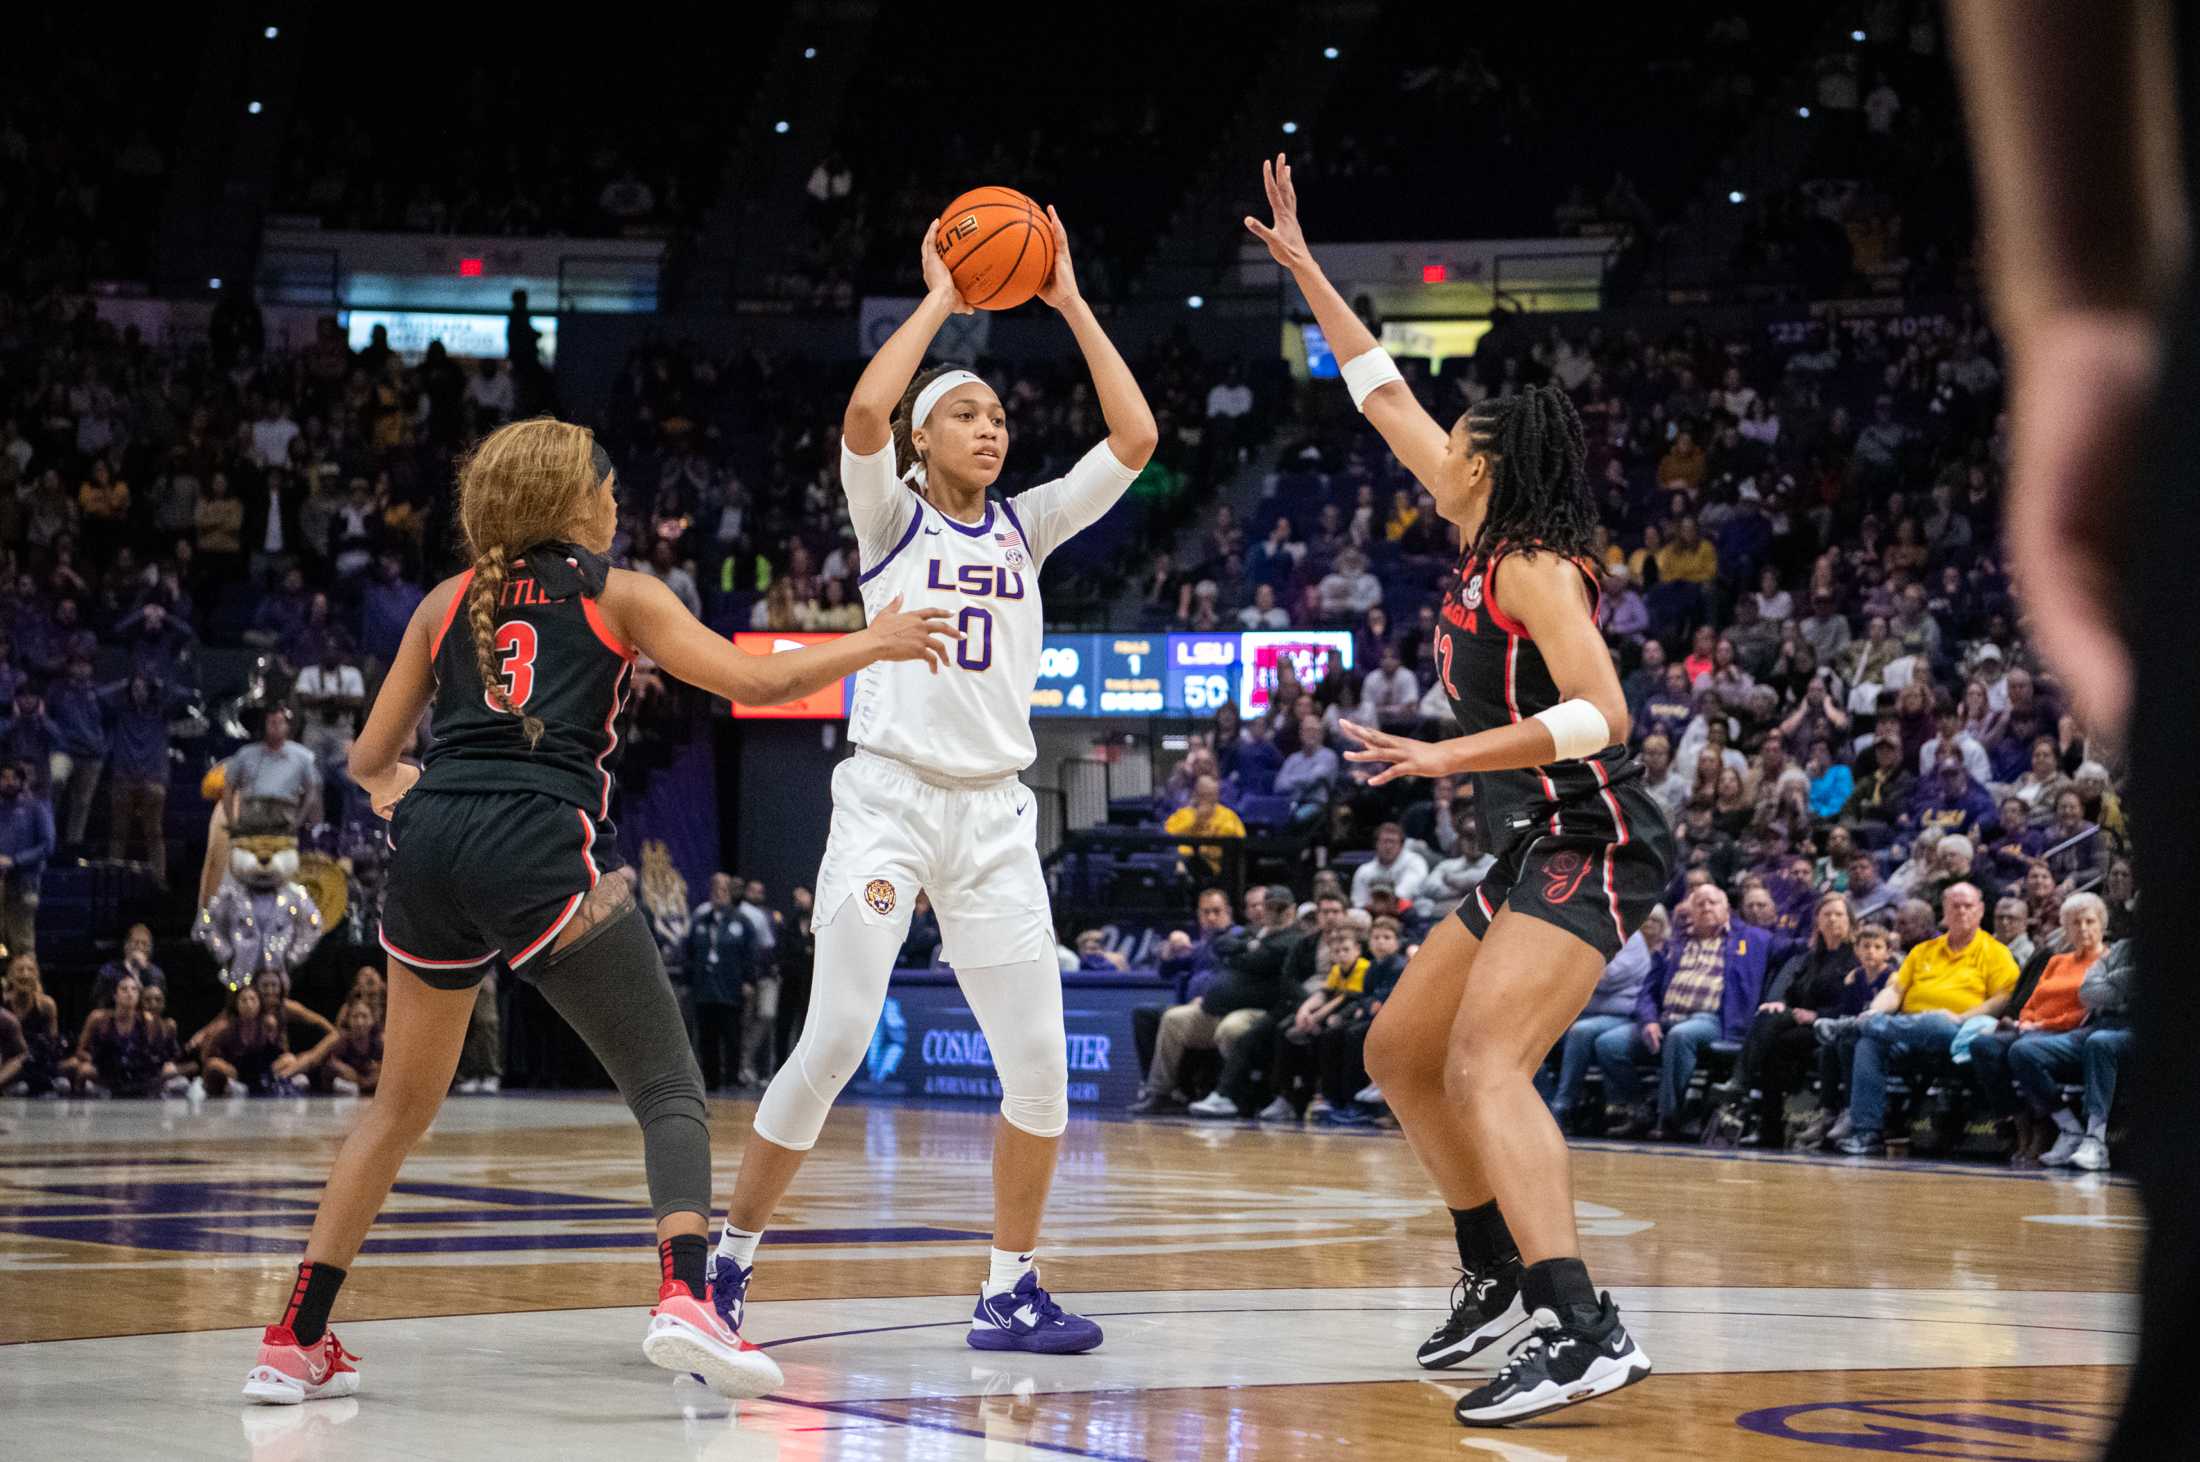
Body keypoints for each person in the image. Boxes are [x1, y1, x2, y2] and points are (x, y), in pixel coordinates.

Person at [237, 417, 953, 1406]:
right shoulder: (618, 594)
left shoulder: (448, 602)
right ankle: (686, 1300)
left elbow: (365, 763)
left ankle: (292, 1340)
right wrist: (872, 640)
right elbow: (751, 678)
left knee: (395, 1110)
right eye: (607, 487)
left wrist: (430, 799)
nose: (618, 501)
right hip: (531, 842)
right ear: (571, 501)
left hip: (429, 848)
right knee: (668, 1083)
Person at [1249, 155, 1672, 1426]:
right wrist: (1308, 268)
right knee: (1399, 1051)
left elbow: (1607, 714)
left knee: (1488, 1063)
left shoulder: (1535, 565)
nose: (1436, 446)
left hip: (1589, 838)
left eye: (1457, 440)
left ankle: (1581, 1324)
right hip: (1523, 845)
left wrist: (1445, 757)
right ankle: (1494, 1275)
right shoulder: (1478, 534)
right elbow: (1378, 393)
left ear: (1485, 467)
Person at [712, 208, 1156, 1363]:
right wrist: (942, 305)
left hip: (997, 816)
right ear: (920, 439)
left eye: (1000, 413)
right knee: (838, 1036)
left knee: (1044, 1076)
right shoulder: (892, 517)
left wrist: (1062, 301)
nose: (992, 426)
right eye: (966, 411)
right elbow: (861, 414)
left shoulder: (1029, 525)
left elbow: (1137, 435)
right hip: (890, 801)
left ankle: (1009, 1287)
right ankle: (727, 1264)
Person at [1835, 883, 2020, 1156]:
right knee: (1869, 1043)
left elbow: (2003, 999)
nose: (1961, 911)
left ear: (1980, 911)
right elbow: (1895, 991)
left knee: (1936, 1022)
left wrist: (1960, 1017)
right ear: (1944, 911)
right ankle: (1868, 1133)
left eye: (1968, 906)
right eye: (1954, 905)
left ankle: (1853, 1025)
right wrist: (1873, 1012)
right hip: (1908, 1032)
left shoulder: (1995, 952)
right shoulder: (1923, 951)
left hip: (1957, 1033)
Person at [1591, 886, 1784, 1139]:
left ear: (1727, 909)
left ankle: (1668, 1118)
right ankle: (1638, 1108)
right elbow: (1647, 991)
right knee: (1608, 1044)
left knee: (1681, 1036)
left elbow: (1796, 951)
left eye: (1712, 902)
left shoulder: (1754, 939)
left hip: (1711, 1020)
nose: (1706, 907)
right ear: (1690, 911)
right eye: (1700, 903)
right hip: (1665, 1019)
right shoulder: (1674, 944)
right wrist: (1649, 1020)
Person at [1710, 896, 1877, 1145]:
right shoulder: (1811, 958)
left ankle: (1742, 1087)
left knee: (1772, 1035)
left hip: (1834, 1027)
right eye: (1826, 915)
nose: (1832, 920)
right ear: (1818, 922)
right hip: (1799, 1025)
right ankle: (1768, 1128)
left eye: (1838, 915)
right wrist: (1782, 1004)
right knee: (1772, 1035)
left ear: (1850, 922)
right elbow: (1792, 992)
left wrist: (1816, 1015)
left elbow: (1857, 1005)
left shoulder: (1855, 957)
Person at [1542, 904, 1664, 1127]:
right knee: (1534, 1032)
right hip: (1582, 1011)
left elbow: (1605, 976)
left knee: (1581, 1031)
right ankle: (1542, 1101)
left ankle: (1564, 1104)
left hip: (1620, 1014)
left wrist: (1572, 969)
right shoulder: (1581, 934)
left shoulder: (1631, 939)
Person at [1164, 773, 1247, 877]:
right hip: (1182, 860)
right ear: (1195, 794)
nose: (1207, 799)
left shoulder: (1228, 816)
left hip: (1214, 866)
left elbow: (1236, 842)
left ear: (1217, 795)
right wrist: (1196, 821)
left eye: (1211, 795)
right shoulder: (1182, 814)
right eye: (1203, 794)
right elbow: (1168, 838)